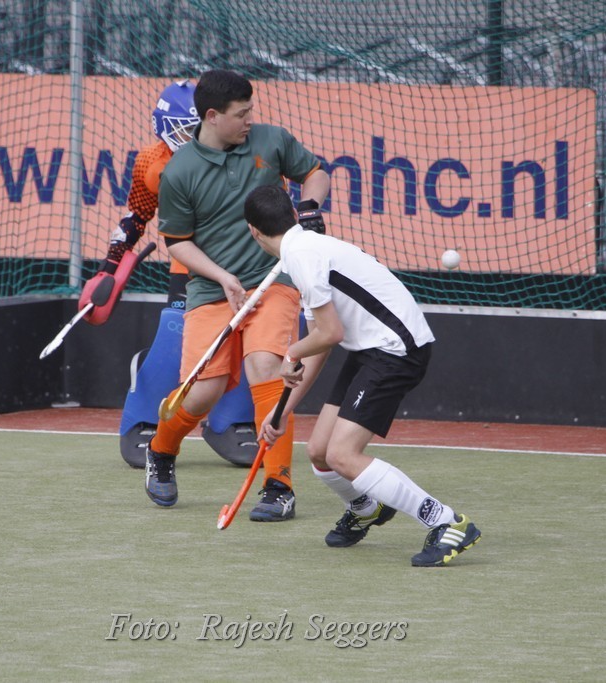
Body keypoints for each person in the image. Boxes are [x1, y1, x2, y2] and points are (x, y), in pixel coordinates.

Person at [242, 184, 481, 566]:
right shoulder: (304, 250)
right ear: (293, 214)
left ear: (253, 231)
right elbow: (321, 342)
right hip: (370, 348)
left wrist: (292, 352)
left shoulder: (302, 256)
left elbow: (329, 334)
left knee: (342, 454)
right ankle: (366, 508)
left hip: (396, 350)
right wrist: (282, 411)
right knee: (320, 452)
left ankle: (446, 522)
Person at [145, 69, 331, 521]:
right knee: (201, 393)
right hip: (212, 290)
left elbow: (315, 173)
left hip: (274, 281)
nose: (250, 120)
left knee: (267, 367)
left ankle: (278, 486)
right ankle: (161, 450)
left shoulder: (271, 140)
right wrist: (223, 277)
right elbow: (178, 243)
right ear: (212, 116)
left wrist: (308, 208)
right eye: (241, 114)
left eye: (251, 111)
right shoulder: (179, 171)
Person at [75, 80, 257, 469]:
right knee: (177, 335)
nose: (194, 135)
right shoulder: (150, 162)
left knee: (248, 338)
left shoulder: (248, 153)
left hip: (246, 260)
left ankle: (231, 421)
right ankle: (144, 417)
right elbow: (136, 215)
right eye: (186, 128)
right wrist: (110, 266)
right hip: (189, 262)